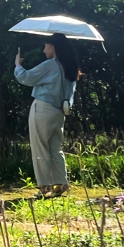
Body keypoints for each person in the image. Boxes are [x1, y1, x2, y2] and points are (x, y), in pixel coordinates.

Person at [14, 32, 78, 198]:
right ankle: (61, 182)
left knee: (40, 146)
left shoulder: (51, 65)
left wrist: (18, 66)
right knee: (55, 148)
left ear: (53, 47)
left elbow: (26, 78)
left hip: (43, 109)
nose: (44, 50)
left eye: (46, 46)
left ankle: (44, 186)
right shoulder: (70, 67)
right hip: (60, 111)